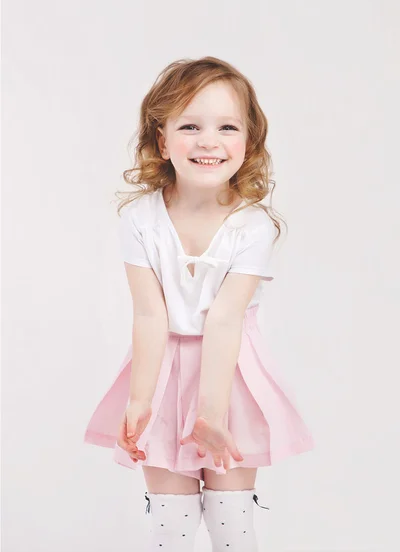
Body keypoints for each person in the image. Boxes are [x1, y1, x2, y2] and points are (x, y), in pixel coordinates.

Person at [84, 56, 315, 551]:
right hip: (161, 372)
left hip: (229, 374)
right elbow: (149, 313)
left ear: (247, 143)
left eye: (227, 127)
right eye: (190, 125)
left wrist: (212, 411)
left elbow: (227, 318)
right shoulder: (140, 219)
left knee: (232, 522)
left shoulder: (253, 226)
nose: (209, 141)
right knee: (171, 525)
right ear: (162, 140)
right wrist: (141, 400)